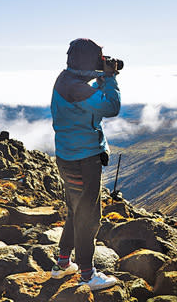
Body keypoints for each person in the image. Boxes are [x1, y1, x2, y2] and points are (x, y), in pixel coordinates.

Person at [49, 38, 120, 291]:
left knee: (76, 209)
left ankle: (62, 263)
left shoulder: (66, 79)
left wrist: (99, 75)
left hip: (68, 157)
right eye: (98, 59)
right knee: (89, 216)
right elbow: (111, 107)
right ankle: (88, 275)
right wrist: (109, 79)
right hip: (84, 160)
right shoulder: (76, 88)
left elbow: (81, 86)